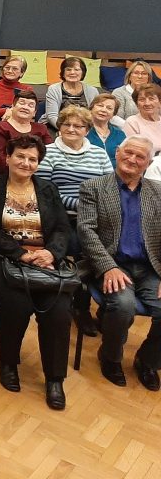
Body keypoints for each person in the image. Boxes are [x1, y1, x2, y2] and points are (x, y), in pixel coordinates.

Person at [0, 135, 72, 410]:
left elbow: (62, 228)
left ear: (38, 163)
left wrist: (51, 253)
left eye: (32, 159)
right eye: (20, 156)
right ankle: (8, 363)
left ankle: (55, 378)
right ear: (8, 157)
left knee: (59, 307)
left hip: (43, 259)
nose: (26, 163)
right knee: (17, 302)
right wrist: (20, 253)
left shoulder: (48, 189)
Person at [77, 136, 161, 391]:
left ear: (148, 164)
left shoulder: (158, 191)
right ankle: (110, 357)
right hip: (111, 263)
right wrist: (108, 267)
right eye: (128, 153)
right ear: (117, 153)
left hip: (149, 267)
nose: (132, 160)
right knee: (123, 305)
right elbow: (86, 231)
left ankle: (148, 361)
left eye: (140, 157)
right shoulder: (93, 187)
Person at [36, 104, 113, 336]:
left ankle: (97, 306)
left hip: (94, 217)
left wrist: (93, 209)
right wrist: (82, 205)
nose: (71, 129)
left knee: (109, 247)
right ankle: (72, 304)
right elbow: (45, 191)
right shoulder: (49, 152)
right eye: (67, 124)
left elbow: (109, 187)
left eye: (78, 126)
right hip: (60, 217)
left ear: (87, 130)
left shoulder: (98, 153)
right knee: (79, 246)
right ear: (59, 127)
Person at [0, 90, 51, 175]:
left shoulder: (42, 129)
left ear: (34, 112)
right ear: (13, 107)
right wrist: (22, 171)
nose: (25, 107)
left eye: (30, 105)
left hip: (38, 173)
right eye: (22, 103)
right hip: (7, 175)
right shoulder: (0, 127)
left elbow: (50, 155)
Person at [45, 57, 100, 130]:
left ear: (82, 73)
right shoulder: (54, 89)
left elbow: (95, 115)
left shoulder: (92, 91)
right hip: (57, 127)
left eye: (76, 70)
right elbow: (52, 116)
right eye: (68, 69)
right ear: (63, 73)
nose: (72, 72)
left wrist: (85, 131)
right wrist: (65, 129)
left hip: (85, 129)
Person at [88, 93, 127, 166]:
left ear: (113, 114)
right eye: (100, 105)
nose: (103, 110)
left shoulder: (119, 134)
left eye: (109, 108)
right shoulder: (83, 130)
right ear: (91, 108)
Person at [112, 60, 154, 126]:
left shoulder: (154, 93)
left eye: (144, 73)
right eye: (136, 73)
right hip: (125, 129)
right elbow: (115, 118)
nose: (140, 76)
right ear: (129, 76)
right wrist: (134, 128)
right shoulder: (119, 92)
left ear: (149, 77)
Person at [123, 84, 161, 155]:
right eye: (142, 99)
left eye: (151, 99)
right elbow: (134, 152)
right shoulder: (132, 122)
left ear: (160, 102)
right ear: (137, 104)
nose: (147, 103)